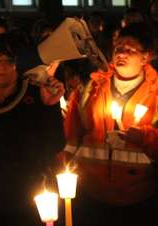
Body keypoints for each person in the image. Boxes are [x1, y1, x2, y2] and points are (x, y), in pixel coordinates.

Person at [62, 22, 158, 226]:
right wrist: (63, 166)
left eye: (130, 50)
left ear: (146, 57)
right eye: (118, 48)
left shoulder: (156, 94)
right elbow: (72, 134)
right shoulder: (91, 88)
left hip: (139, 199)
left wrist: (142, 136)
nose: (121, 54)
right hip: (91, 196)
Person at [0, 32, 66, 226]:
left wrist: (50, 106)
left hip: (28, 200)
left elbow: (55, 143)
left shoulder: (34, 96)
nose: (1, 67)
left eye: (11, 61)